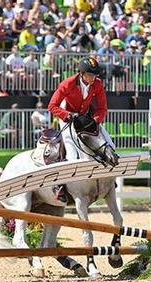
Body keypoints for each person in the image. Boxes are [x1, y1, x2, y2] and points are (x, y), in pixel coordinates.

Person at [47, 57, 115, 203]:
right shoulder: (68, 84)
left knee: (109, 145)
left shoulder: (97, 84)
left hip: (86, 118)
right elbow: (52, 106)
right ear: (82, 73)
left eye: (95, 75)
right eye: (90, 75)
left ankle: (109, 180)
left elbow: (102, 108)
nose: (93, 78)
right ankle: (61, 186)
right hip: (68, 117)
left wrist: (95, 121)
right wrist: (67, 115)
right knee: (72, 155)